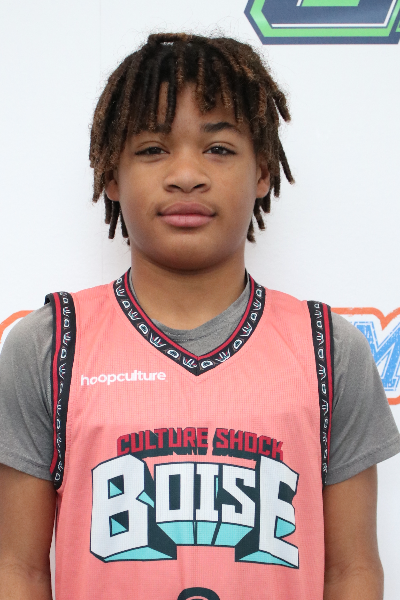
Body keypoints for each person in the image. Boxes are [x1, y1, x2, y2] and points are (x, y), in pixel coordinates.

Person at [0, 33, 398, 600]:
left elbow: (352, 569)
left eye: (218, 149)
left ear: (263, 172)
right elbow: (18, 569)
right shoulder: (49, 344)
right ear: (111, 175)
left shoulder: (328, 350)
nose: (186, 174)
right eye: (152, 149)